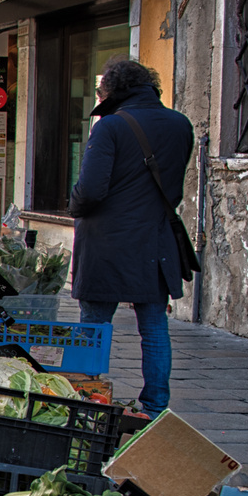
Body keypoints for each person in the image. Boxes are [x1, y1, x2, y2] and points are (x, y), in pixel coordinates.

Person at [68, 58, 194, 418]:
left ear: (112, 92)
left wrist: (75, 205)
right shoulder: (180, 125)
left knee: (93, 326)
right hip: (154, 240)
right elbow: (174, 188)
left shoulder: (110, 127)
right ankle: (154, 406)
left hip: (106, 242)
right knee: (154, 327)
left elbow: (90, 189)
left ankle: (88, 396)